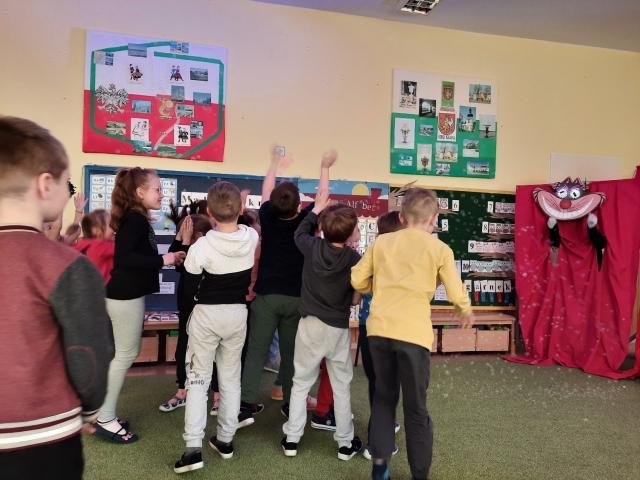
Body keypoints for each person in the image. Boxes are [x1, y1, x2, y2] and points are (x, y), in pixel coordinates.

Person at [0, 116, 114, 479]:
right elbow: (90, 351)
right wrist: (90, 408)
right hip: (43, 439)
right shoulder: (67, 265)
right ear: (45, 184)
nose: (68, 193)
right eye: (67, 183)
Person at [351, 188, 474, 480]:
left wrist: (375, 288)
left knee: (384, 399)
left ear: (402, 217)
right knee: (416, 408)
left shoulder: (382, 242)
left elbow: (357, 278)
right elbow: (455, 291)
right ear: (434, 218)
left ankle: (379, 467)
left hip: (379, 332)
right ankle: (419, 475)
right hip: (414, 336)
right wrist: (464, 309)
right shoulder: (440, 250)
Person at [239, 148, 334, 425]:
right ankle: (292, 406)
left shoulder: (267, 217)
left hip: (266, 297)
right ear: (298, 205)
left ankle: (244, 405)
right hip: (296, 299)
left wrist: (274, 163)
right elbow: (322, 196)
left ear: (273, 203)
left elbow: (266, 189)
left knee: (256, 352)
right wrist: (324, 167)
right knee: (292, 356)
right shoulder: (305, 223)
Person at [94, 167, 185, 443]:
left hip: (124, 294)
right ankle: (105, 418)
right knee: (125, 355)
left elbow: (130, 255)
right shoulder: (134, 219)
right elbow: (124, 259)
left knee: (123, 354)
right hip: (124, 296)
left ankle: (103, 413)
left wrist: (167, 258)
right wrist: (164, 260)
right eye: (157, 189)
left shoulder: (135, 218)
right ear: (139, 192)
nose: (162, 194)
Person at [174, 181, 259, 473]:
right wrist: (240, 204)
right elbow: (243, 223)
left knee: (198, 380)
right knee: (231, 379)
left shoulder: (202, 246)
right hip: (237, 315)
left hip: (207, 316)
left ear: (209, 213)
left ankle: (193, 449)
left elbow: (190, 281)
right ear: (241, 209)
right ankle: (225, 440)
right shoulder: (251, 237)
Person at [281, 187, 363, 460]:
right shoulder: (354, 260)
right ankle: (345, 443)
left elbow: (298, 233)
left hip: (310, 324)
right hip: (337, 328)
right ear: (350, 233)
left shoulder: (313, 247)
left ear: (323, 229)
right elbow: (355, 297)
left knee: (301, 382)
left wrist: (315, 209)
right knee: (341, 385)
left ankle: (292, 439)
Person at [356, 211, 404, 460]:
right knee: (385, 385)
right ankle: (377, 441)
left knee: (377, 382)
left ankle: (383, 429)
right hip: (392, 329)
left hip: (370, 327)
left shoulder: (373, 254)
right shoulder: (404, 260)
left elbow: (357, 284)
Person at [159, 214, 214, 413]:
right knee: (182, 347)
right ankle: (182, 390)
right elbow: (175, 259)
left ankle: (217, 395)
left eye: (187, 233)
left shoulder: (207, 249)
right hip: (186, 308)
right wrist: (179, 239)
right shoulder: (187, 246)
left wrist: (185, 241)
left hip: (205, 308)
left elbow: (187, 265)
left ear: (197, 235)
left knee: (213, 351)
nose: (183, 236)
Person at [73, 209, 115, 283]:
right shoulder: (99, 246)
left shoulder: (84, 244)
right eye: (110, 225)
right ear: (95, 230)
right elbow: (122, 249)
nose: (114, 227)